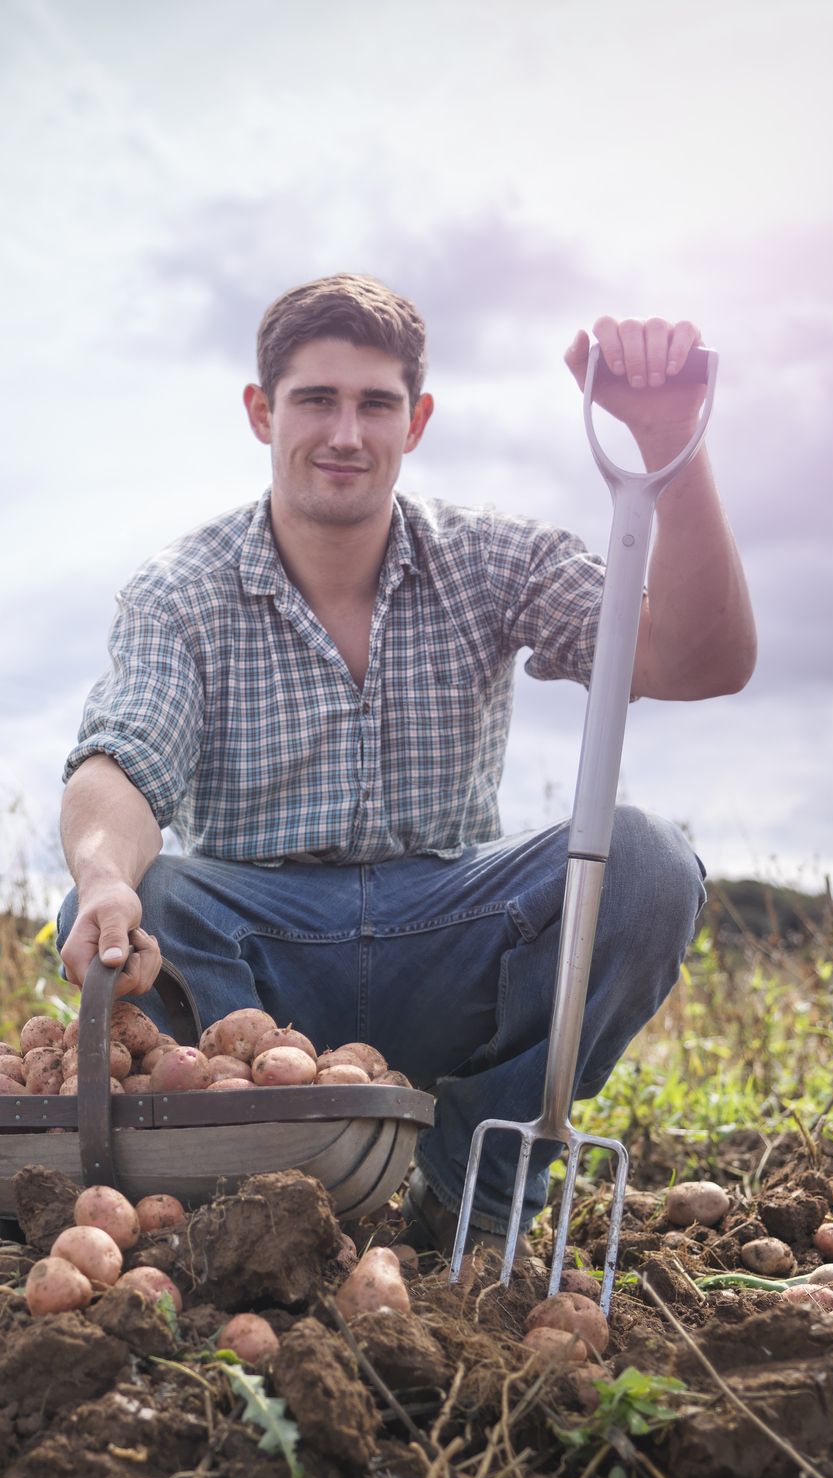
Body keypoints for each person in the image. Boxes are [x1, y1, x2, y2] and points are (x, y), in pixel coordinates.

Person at [52, 273, 756, 1257]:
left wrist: (668, 439)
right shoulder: (180, 593)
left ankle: (478, 1173)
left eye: (375, 403)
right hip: (260, 970)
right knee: (148, 894)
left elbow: (698, 657)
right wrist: (97, 877)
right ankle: (267, 1195)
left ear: (415, 420)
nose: (345, 432)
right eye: (315, 400)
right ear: (262, 412)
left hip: (455, 940)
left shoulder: (492, 559)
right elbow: (121, 762)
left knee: (644, 861)